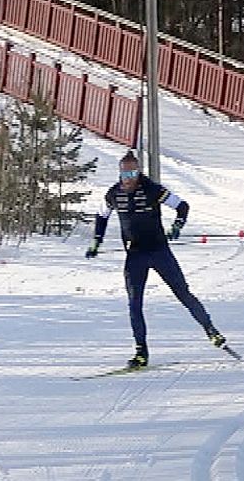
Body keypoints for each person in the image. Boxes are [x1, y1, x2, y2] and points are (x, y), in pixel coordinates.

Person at [85, 150, 226, 368]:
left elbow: (182, 206)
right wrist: (96, 242)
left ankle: (210, 329)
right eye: (125, 174)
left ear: (138, 171)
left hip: (159, 251)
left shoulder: (152, 189)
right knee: (134, 304)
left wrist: (177, 225)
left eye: (132, 173)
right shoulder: (114, 194)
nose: (129, 178)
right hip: (135, 256)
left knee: (182, 293)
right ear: (120, 174)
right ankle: (141, 352)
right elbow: (102, 216)